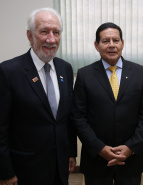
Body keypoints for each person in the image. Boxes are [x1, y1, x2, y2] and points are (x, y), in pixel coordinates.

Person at [72, 22, 143, 185]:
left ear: (122, 43)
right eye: (105, 41)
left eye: (115, 40)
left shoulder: (140, 73)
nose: (111, 45)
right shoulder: (84, 75)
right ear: (96, 45)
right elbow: (78, 117)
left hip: (130, 160)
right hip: (96, 159)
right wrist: (100, 148)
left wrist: (130, 147)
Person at [0, 8, 76, 185]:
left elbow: (67, 118)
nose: (51, 39)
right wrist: (5, 171)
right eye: (44, 31)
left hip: (60, 166)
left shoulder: (65, 68)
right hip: (25, 170)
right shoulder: (8, 71)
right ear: (30, 36)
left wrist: (71, 152)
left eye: (56, 32)